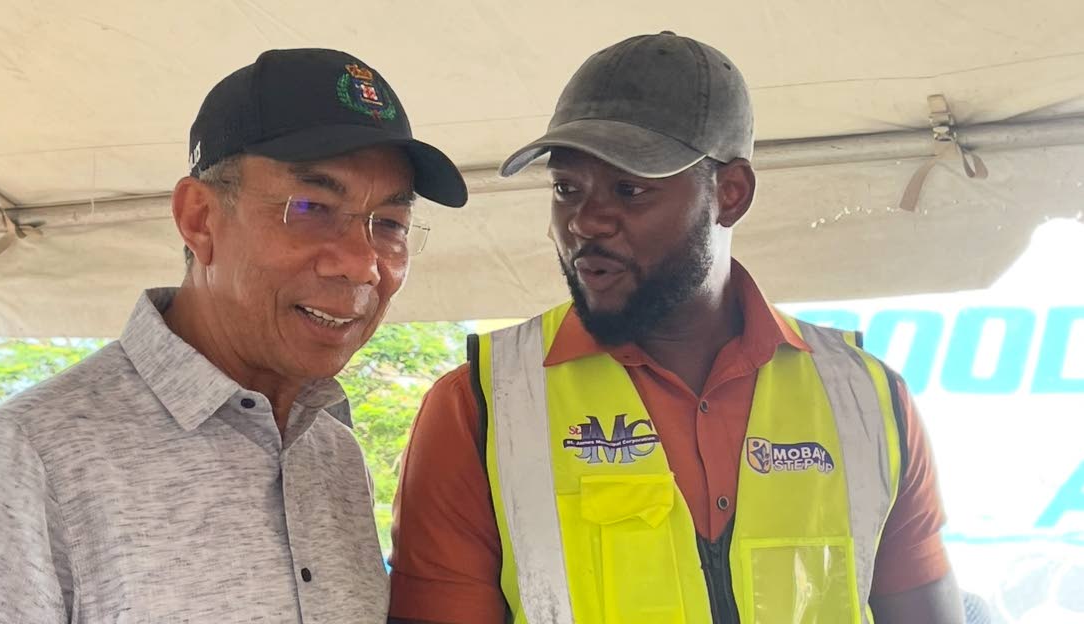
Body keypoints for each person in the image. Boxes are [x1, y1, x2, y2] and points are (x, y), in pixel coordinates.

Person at [388, 32, 964, 624]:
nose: (585, 221)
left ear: (731, 194)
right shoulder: (481, 406)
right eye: (566, 188)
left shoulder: (866, 401)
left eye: (629, 189)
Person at [0, 48, 466, 623]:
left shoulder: (331, 450)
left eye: (391, 224)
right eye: (312, 206)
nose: (361, 264)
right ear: (200, 220)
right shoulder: (29, 460)